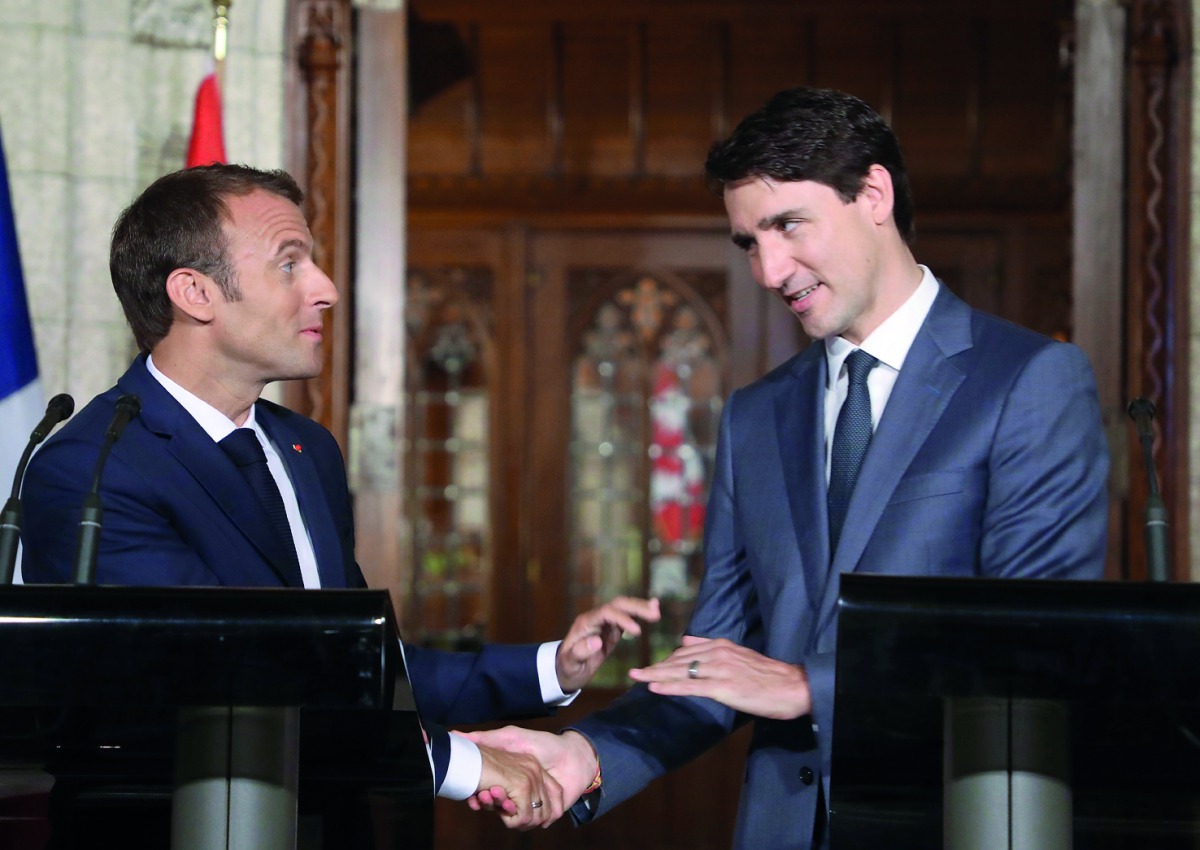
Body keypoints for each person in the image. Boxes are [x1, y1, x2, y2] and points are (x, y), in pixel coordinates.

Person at [462, 86, 1109, 848]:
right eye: (748, 242)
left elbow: (1036, 653)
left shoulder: (1029, 381)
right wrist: (585, 755)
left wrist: (810, 688)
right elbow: (719, 659)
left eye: (787, 226)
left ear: (873, 193)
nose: (769, 271)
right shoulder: (755, 415)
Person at [19, 163, 660, 828]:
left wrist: (550, 668)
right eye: (290, 264)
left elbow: (349, 660)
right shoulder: (92, 471)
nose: (325, 289)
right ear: (195, 293)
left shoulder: (306, 449)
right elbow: (227, 675)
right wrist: (458, 762)